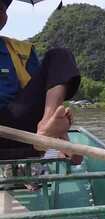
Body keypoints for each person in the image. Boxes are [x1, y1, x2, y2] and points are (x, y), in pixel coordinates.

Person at [0, 0, 81, 161]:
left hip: (19, 125)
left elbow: (43, 95)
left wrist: (66, 145)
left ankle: (46, 128)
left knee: (60, 55)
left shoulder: (21, 51)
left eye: (1, 8)